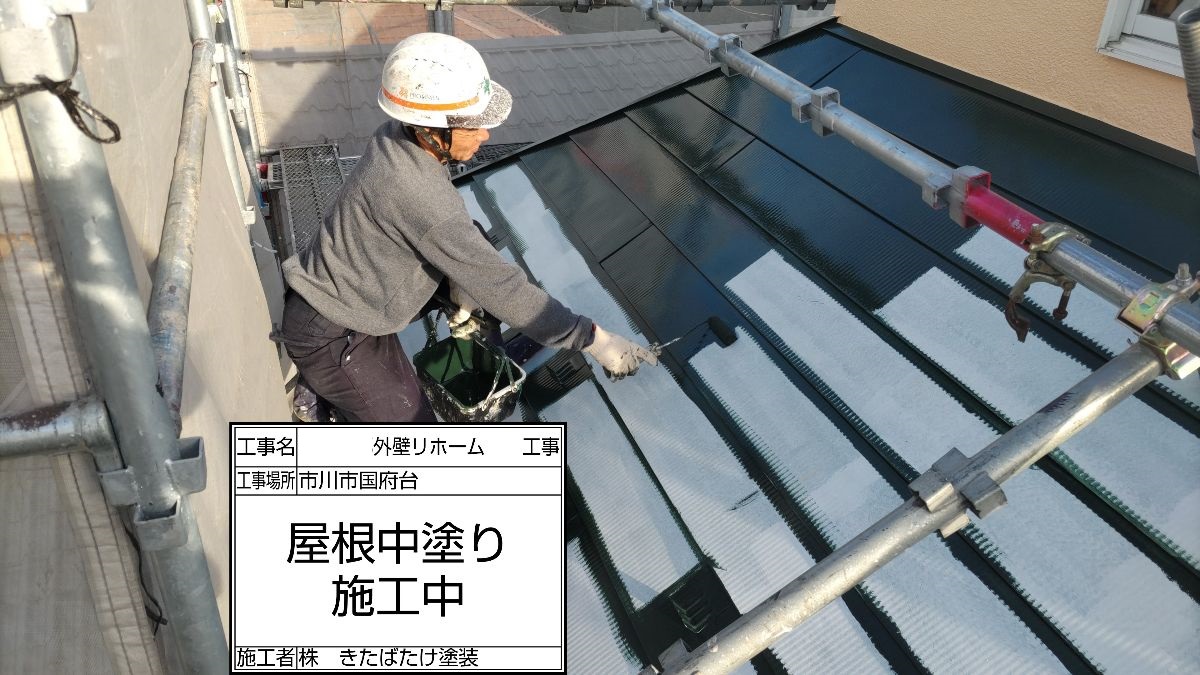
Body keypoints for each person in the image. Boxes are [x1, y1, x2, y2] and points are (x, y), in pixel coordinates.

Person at [276, 32, 657, 423]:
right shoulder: (418, 193)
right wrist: (591, 338)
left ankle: (347, 379)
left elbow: (463, 241)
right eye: (473, 126)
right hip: (332, 331)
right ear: (432, 129)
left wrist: (463, 289)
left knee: (475, 259)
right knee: (414, 428)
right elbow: (502, 287)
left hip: (359, 292)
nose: (485, 134)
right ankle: (323, 388)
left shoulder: (398, 135)